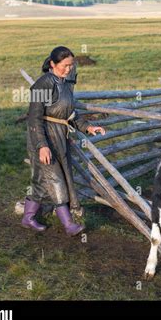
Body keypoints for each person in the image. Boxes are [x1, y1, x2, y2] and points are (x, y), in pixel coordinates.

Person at [22, 46, 105, 236]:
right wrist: (41, 146)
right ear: (53, 63)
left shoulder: (65, 85)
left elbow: (70, 115)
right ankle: (69, 225)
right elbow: (34, 118)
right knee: (56, 179)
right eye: (65, 66)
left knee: (43, 180)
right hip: (42, 137)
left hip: (60, 137)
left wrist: (88, 127)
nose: (68, 70)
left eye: (71, 66)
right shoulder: (43, 84)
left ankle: (28, 218)